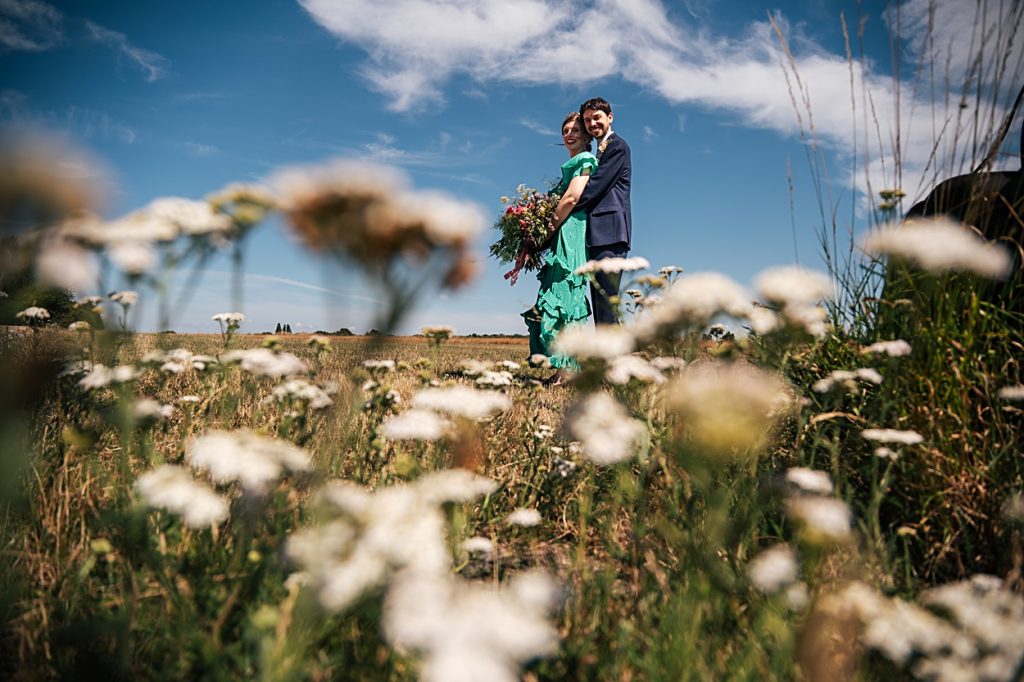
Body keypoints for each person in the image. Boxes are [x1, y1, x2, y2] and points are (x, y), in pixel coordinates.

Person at [522, 112, 597, 383]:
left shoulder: (585, 160)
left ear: (587, 135)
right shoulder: (571, 163)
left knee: (566, 296)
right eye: (565, 130)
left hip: (571, 233)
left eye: (576, 130)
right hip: (561, 232)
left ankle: (568, 371)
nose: (569, 134)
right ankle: (565, 369)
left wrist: (545, 231)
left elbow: (572, 198)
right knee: (554, 294)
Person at [573, 97, 632, 325]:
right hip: (598, 236)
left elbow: (594, 188)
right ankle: (608, 358)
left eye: (596, 117)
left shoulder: (617, 146)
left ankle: (613, 358)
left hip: (610, 233)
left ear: (610, 117)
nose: (592, 124)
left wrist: (561, 208)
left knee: (607, 304)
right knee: (601, 304)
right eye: (587, 120)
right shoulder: (599, 150)